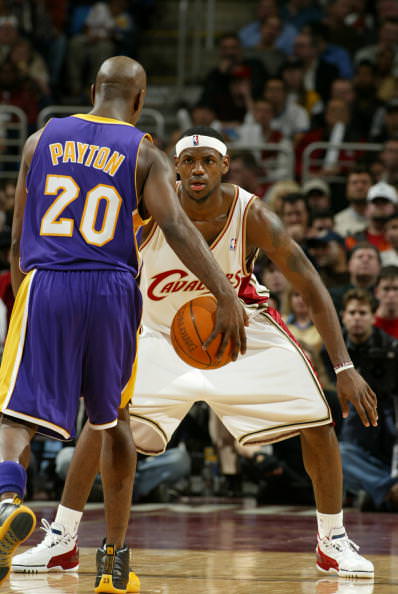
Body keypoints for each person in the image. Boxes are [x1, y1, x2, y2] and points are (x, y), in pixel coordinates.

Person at [15, 126, 377, 581]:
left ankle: (333, 540)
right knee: (104, 422)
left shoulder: (253, 214)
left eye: (208, 160)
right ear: (174, 167)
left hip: (240, 333)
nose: (197, 170)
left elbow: (310, 283)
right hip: (158, 335)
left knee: (318, 420)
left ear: (225, 166)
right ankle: (62, 540)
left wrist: (344, 368)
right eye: (188, 162)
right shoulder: (147, 212)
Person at [0, 62, 247, 592]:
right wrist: (224, 292)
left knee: (14, 414)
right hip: (112, 289)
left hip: (48, 279)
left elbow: (18, 240)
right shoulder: (143, 152)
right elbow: (177, 227)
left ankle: (5, 501)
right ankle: (113, 561)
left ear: (92, 91)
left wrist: (29, 298)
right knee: (114, 421)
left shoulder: (39, 140)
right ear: (139, 102)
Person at [339, 288, 398, 511]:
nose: (356, 318)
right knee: (338, 455)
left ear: (373, 317)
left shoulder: (392, 349)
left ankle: (378, 493)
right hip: (354, 441)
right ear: (343, 316)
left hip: (388, 430)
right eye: (352, 313)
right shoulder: (331, 351)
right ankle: (388, 491)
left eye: (362, 313)